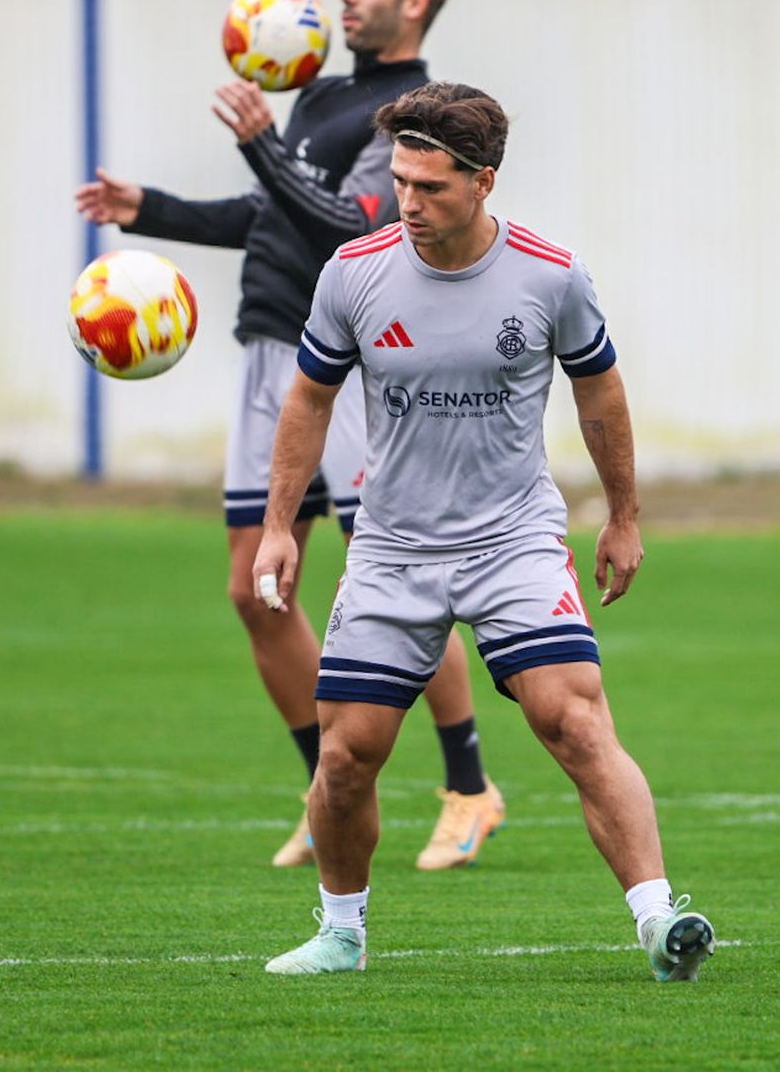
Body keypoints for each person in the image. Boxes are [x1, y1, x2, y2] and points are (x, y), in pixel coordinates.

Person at [252, 82, 715, 981]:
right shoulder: (354, 272)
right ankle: (342, 934)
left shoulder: (550, 275)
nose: (408, 204)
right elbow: (309, 396)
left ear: (484, 182)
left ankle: (661, 922)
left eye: (430, 187)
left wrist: (623, 516)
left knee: (572, 719)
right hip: (392, 546)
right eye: (400, 182)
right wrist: (279, 526)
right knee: (348, 753)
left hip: (513, 540)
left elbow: (599, 390)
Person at [75, 0, 505, 872]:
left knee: (399, 583)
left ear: (416, 3)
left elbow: (349, 223)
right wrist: (147, 208)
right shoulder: (319, 96)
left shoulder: (405, 121)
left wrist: (262, 144)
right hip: (266, 353)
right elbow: (271, 216)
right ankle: (325, 796)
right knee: (254, 591)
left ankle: (470, 788)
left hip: (349, 363)